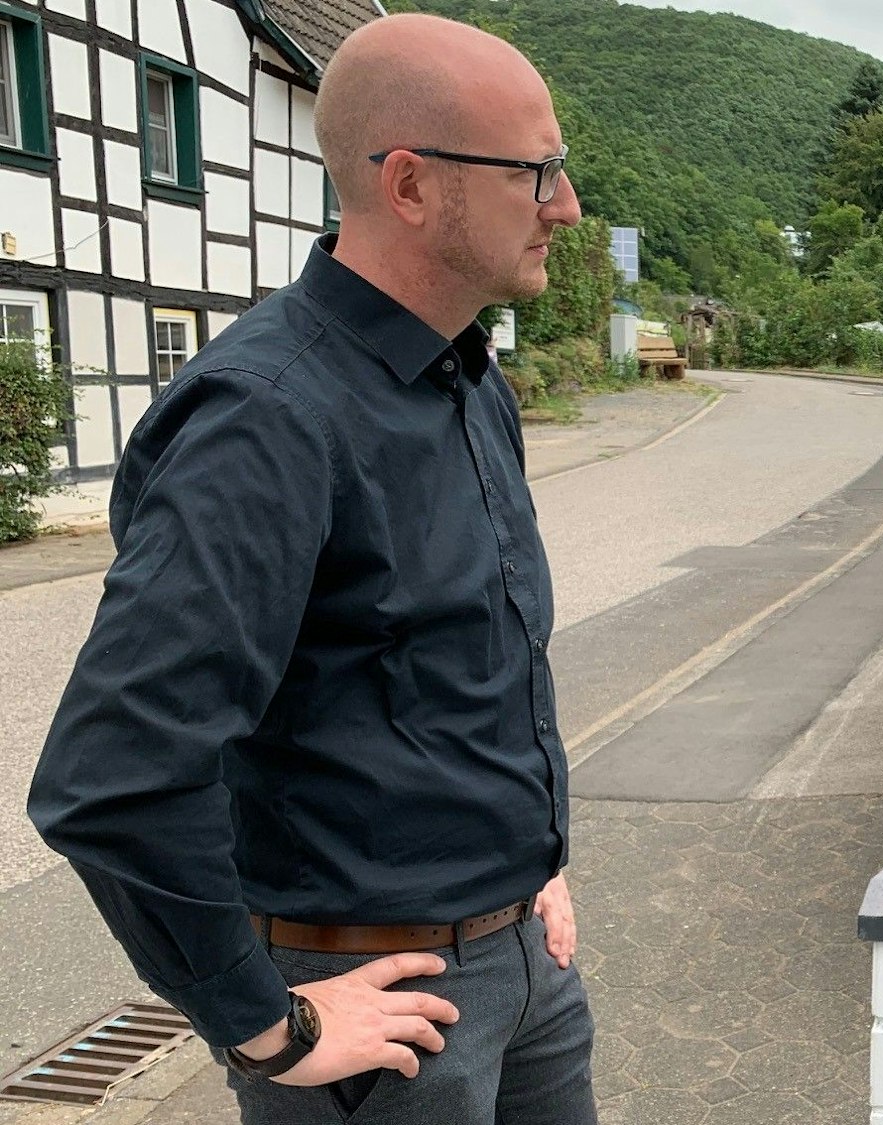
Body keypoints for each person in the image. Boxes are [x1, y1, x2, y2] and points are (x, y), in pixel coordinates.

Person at [29, 14, 593, 1123]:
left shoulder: (470, 382)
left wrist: (532, 866)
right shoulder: (267, 420)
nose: (564, 207)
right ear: (411, 184)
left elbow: (462, 682)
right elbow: (114, 776)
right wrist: (263, 1027)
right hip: (379, 1009)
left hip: (528, 969)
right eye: (537, 173)